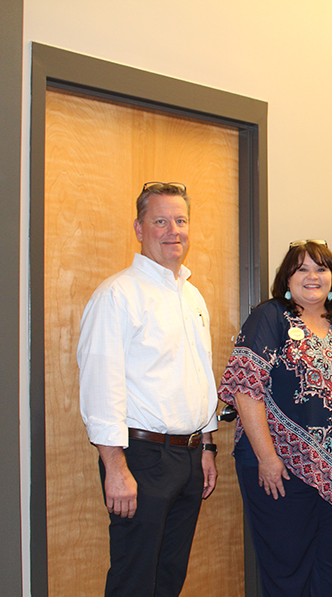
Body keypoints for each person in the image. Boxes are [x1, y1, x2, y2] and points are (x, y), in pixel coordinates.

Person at [78, 182, 218, 596]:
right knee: (134, 577)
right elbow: (100, 385)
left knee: (170, 576)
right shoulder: (117, 295)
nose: (173, 230)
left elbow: (199, 376)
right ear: (139, 228)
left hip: (190, 457)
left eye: (180, 220)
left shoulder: (192, 296)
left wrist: (207, 447)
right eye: (160, 221)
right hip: (141, 458)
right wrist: (116, 468)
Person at [218, 240, 332, 596]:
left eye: (320, 268)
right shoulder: (269, 317)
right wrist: (268, 458)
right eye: (301, 268)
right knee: (287, 570)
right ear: (286, 278)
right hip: (282, 468)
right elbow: (245, 389)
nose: (312, 276)